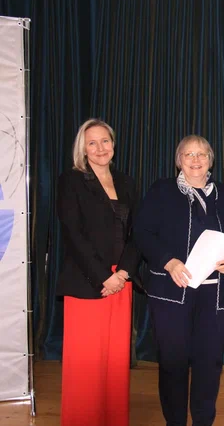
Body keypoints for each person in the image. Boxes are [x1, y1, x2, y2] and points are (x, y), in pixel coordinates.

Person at [134, 135, 224, 426]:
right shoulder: (162, 190)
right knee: (172, 363)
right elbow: (142, 233)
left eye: (201, 154)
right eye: (188, 154)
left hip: (216, 294)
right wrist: (168, 261)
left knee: (209, 364)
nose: (195, 160)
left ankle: (202, 421)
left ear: (211, 160)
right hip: (172, 290)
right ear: (179, 161)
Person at [57, 118, 141, 426]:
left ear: (113, 144)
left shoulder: (126, 182)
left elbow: (137, 233)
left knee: (115, 363)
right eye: (92, 143)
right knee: (86, 366)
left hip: (121, 283)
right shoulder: (71, 180)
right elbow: (73, 233)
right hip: (89, 283)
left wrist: (124, 272)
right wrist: (104, 276)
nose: (100, 148)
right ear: (83, 148)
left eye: (105, 141)